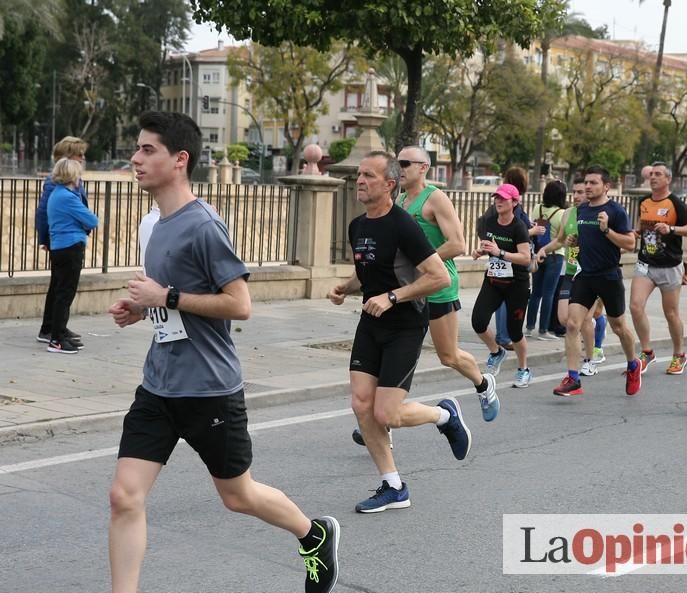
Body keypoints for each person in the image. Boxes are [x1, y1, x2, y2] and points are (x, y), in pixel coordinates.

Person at [107, 111, 340, 593]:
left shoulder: (205, 226)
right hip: (159, 383)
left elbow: (240, 304)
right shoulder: (153, 224)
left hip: (209, 387)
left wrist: (165, 298)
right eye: (137, 147)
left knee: (238, 496)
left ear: (179, 160)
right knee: (124, 496)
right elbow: (169, 295)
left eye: (148, 149)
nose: (136, 158)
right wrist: (140, 307)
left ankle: (314, 534)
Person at [328, 150, 469, 514]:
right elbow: (368, 270)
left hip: (405, 325)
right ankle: (394, 486)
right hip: (370, 324)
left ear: (389, 185)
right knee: (361, 404)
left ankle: (445, 416)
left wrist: (393, 297)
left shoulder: (403, 224)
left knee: (386, 414)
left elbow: (437, 276)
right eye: (359, 174)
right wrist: (344, 287)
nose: (360, 180)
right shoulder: (358, 225)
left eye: (369, 176)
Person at [350, 145, 500, 448]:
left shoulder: (436, 198)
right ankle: (384, 420)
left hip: (437, 286)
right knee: (393, 358)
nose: (400, 167)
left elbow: (457, 243)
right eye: (398, 162)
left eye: (406, 162)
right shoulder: (399, 201)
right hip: (405, 291)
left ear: (424, 168)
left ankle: (483, 384)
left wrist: (419, 261)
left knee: (448, 356)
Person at [546, 165, 642, 397]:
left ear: (606, 187)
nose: (587, 187)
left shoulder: (616, 211)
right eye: (586, 183)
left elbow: (630, 244)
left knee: (619, 327)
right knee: (571, 324)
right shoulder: (582, 211)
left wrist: (607, 230)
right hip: (585, 275)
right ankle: (573, 378)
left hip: (609, 276)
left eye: (593, 183)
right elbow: (584, 240)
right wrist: (574, 240)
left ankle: (633, 364)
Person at [629, 161, 687, 375]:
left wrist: (671, 229)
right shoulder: (643, 202)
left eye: (658, 174)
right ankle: (647, 351)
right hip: (646, 263)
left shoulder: (675, 202)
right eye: (651, 174)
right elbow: (641, 227)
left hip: (669, 265)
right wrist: (634, 233)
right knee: (635, 306)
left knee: (670, 313)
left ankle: (679, 354)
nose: (653, 177)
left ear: (668, 179)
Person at [472, 183, 534, 388]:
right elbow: (491, 247)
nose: (498, 201)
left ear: (515, 202)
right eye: (496, 197)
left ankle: (523, 369)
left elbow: (525, 258)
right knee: (478, 322)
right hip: (493, 280)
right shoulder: (489, 222)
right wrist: (481, 251)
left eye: (503, 198)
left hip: (516, 284)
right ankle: (497, 352)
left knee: (514, 331)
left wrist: (500, 253)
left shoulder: (519, 227)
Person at [545, 178, 607, 376]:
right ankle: (583, 348)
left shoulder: (598, 213)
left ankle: (589, 360)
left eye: (581, 191)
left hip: (590, 274)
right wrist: (543, 250)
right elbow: (560, 240)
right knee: (565, 319)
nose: (578, 195)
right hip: (571, 272)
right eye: (575, 192)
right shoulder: (569, 214)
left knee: (583, 319)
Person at [36, 136, 89, 347]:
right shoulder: (55, 183)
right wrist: (45, 238)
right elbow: (43, 212)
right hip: (62, 240)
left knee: (59, 285)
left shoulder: (71, 180)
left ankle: (54, 327)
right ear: (68, 157)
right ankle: (52, 329)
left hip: (65, 238)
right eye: (79, 154)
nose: (83, 158)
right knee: (62, 287)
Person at [45, 158, 98, 354]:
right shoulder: (67, 197)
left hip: (60, 247)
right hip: (70, 248)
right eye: (78, 175)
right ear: (72, 176)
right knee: (65, 294)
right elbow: (92, 220)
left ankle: (59, 331)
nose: (80, 179)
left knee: (62, 293)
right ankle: (57, 340)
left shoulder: (57, 194)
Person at [491, 166, 537, 350]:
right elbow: (519, 231)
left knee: (500, 295)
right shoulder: (513, 204)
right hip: (509, 257)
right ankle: (504, 336)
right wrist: (533, 230)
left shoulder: (502, 202)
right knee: (505, 297)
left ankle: (503, 335)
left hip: (501, 255)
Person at [526, 180, 567, 340]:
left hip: (537, 254)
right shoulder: (562, 213)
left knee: (536, 292)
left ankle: (529, 327)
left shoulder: (537, 208)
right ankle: (543, 330)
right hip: (555, 255)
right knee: (549, 293)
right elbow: (561, 238)